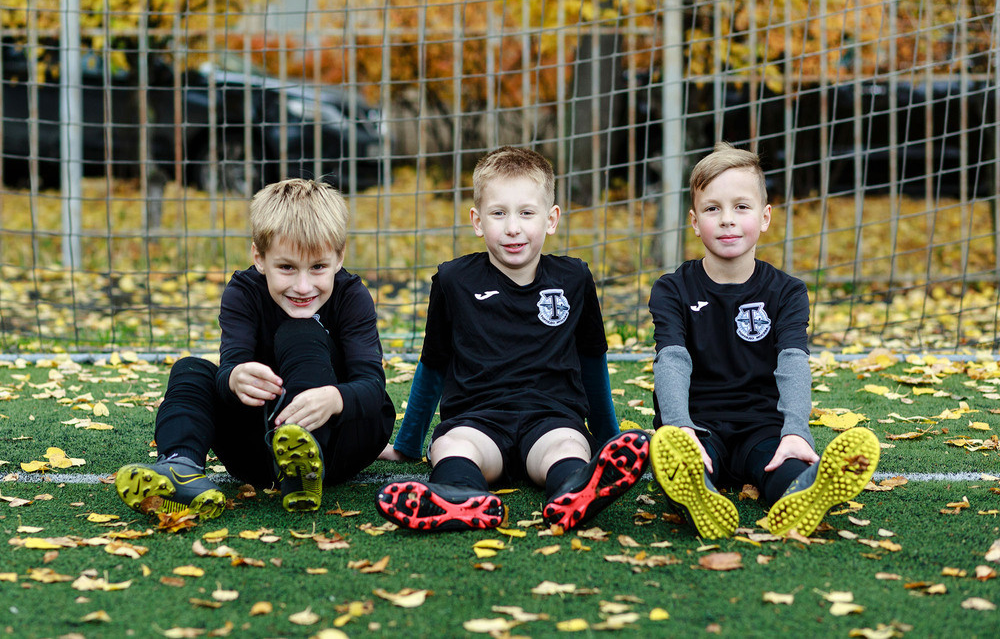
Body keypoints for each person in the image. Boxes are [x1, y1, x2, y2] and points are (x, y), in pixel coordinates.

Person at [375, 146, 649, 532]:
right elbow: (434, 364)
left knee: (569, 449)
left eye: (526, 213)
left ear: (551, 219)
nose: (512, 227)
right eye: (498, 213)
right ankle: (462, 500)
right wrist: (407, 444)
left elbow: (592, 361)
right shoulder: (454, 281)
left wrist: (608, 438)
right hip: (478, 419)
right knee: (452, 448)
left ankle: (576, 493)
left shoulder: (573, 279)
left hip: (552, 418)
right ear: (477, 220)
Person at [115, 179, 395, 518]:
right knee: (190, 369)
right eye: (287, 267)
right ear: (259, 257)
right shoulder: (243, 292)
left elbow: (373, 388)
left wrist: (335, 399)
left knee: (300, 331)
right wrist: (234, 378)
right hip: (257, 449)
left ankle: (304, 463)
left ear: (339, 257)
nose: (303, 286)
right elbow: (226, 375)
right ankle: (180, 467)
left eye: (318, 267)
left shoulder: (352, 296)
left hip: (342, 443)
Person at [648, 142, 879, 539]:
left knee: (783, 467)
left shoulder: (787, 291)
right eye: (712, 208)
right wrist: (679, 426)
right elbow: (671, 360)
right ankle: (697, 499)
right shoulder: (672, 289)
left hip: (762, 426)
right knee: (682, 468)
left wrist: (795, 431)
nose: (726, 220)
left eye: (741, 207)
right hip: (698, 427)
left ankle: (806, 493)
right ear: (693, 220)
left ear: (765, 216)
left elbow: (792, 362)